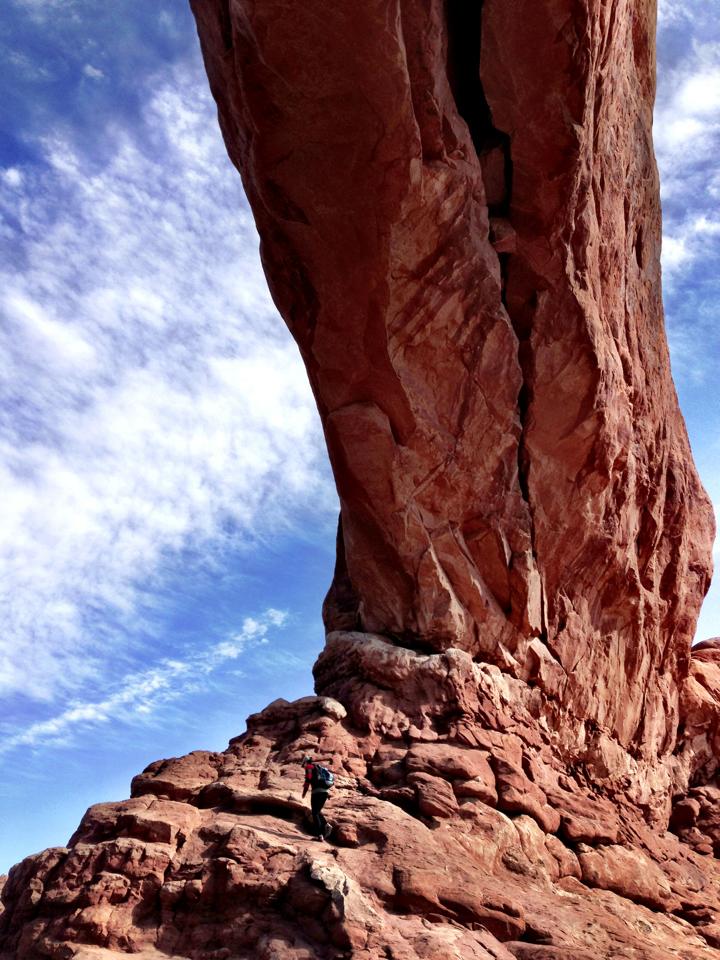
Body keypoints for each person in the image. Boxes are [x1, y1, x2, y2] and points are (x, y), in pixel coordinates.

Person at [301, 755, 333, 840]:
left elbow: (308, 780)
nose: (304, 766)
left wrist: (304, 792)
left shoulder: (309, 767)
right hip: (324, 792)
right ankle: (326, 825)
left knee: (315, 813)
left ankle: (319, 835)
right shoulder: (318, 768)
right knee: (317, 811)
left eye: (303, 764)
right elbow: (321, 781)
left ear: (305, 762)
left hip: (316, 793)